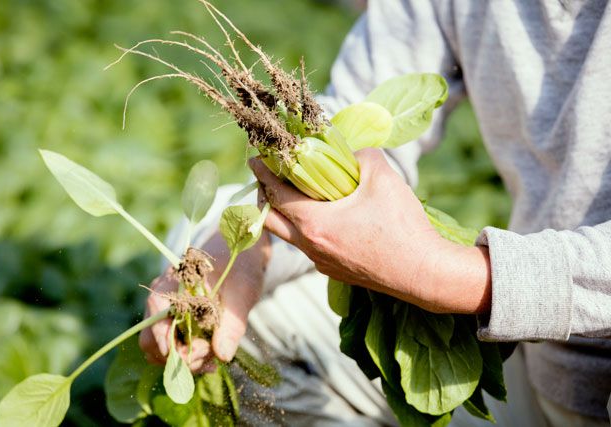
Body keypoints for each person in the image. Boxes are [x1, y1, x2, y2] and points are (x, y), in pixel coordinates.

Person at [141, 0, 611, 425]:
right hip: (542, 367)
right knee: (205, 255)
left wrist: (442, 274)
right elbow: (358, 115)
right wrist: (243, 245)